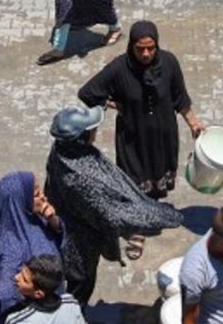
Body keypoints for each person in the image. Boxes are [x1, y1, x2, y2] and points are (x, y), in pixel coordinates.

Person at [44, 105, 183, 309]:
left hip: (72, 224)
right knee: (79, 287)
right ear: (81, 137)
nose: (95, 132)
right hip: (78, 241)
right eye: (91, 129)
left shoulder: (62, 150)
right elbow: (109, 215)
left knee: (80, 286)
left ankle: (80, 320)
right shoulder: (80, 177)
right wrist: (153, 220)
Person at [77, 20, 205, 200]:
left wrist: (193, 123)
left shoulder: (169, 63)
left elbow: (180, 97)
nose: (146, 54)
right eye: (140, 48)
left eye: (151, 48)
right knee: (134, 184)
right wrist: (114, 104)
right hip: (133, 138)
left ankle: (154, 210)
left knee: (158, 183)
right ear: (131, 45)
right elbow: (87, 92)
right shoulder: (119, 69)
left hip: (163, 136)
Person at [0, 171, 66, 324]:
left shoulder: (29, 217)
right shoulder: (11, 245)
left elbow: (58, 234)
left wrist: (52, 220)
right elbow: (6, 292)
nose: (44, 197)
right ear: (20, 200)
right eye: (37, 194)